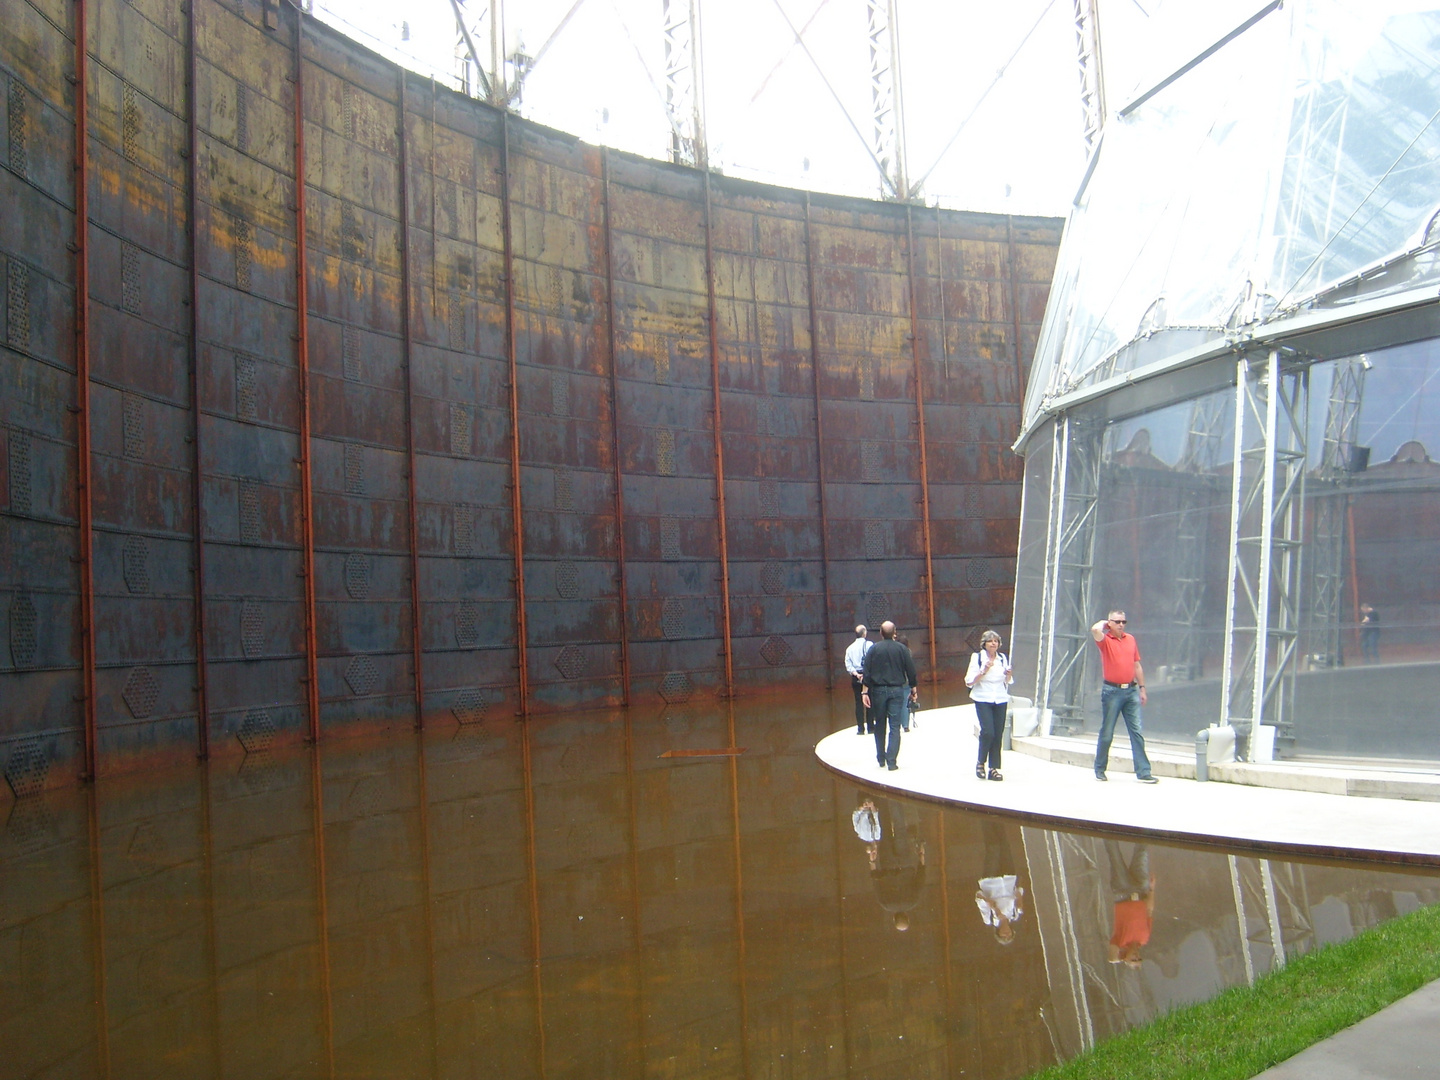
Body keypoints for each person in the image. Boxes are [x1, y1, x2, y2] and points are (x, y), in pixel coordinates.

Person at [1090, 610, 1157, 783]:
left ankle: (1143, 771)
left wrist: (1142, 688)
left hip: (1131, 691)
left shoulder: (1131, 639)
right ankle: (1100, 768)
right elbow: (1095, 630)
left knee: (1136, 731)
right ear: (1110, 624)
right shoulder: (1106, 641)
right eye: (1117, 622)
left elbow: (1137, 666)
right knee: (1107, 731)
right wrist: (1105, 622)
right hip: (1112, 691)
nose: (1121, 625)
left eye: (1123, 622)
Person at [861, 621, 918, 771]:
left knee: (880, 724)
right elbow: (910, 670)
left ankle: (881, 758)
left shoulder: (874, 649)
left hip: (878, 690)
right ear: (895, 632)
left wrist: (864, 691)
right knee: (895, 725)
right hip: (897, 690)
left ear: (880, 632)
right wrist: (913, 688)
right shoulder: (902, 649)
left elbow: (867, 671)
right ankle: (892, 761)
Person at [869, 797, 925, 931]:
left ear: (907, 917)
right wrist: (872, 860)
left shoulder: (913, 901)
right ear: (894, 919)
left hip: (905, 863)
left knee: (900, 828)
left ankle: (894, 798)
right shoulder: (886, 904)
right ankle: (881, 797)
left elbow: (921, 878)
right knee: (885, 829)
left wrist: (921, 855)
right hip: (887, 864)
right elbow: (876, 881)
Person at [965, 630, 1013, 781]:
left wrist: (1009, 674)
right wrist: (984, 670)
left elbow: (1008, 681)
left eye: (996, 641)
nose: (994, 643)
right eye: (990, 641)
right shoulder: (977, 657)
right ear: (984, 643)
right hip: (983, 697)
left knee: (998, 734)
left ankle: (994, 768)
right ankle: (981, 762)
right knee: (988, 732)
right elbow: (969, 681)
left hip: (1000, 698)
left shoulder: (1002, 658)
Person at [1105, 840, 1154, 968]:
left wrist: (1120, 958)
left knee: (1114, 853)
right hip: (1141, 890)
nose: (1136, 956)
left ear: (1127, 959)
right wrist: (1152, 890)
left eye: (1133, 959)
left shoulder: (1119, 942)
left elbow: (1111, 958)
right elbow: (1149, 911)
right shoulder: (1144, 939)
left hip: (1123, 892)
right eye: (1139, 958)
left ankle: (1105, 826)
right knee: (1142, 851)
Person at [975, 817, 1024, 944]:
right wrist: (1019, 898)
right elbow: (1018, 891)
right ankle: (996, 816)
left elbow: (978, 896)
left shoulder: (989, 919)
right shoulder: (1015, 915)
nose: (1006, 934)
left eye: (1003, 936)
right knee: (1004, 844)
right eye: (1009, 936)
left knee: (993, 847)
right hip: (1008, 879)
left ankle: (984, 818)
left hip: (991, 880)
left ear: (998, 933)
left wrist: (990, 904)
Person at [845, 625, 874, 734]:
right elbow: (873, 660)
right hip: (868, 676)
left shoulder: (849, 648)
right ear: (864, 633)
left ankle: (860, 729)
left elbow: (848, 665)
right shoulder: (869, 645)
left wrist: (856, 674)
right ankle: (871, 727)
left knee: (858, 702)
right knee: (870, 700)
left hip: (856, 677)